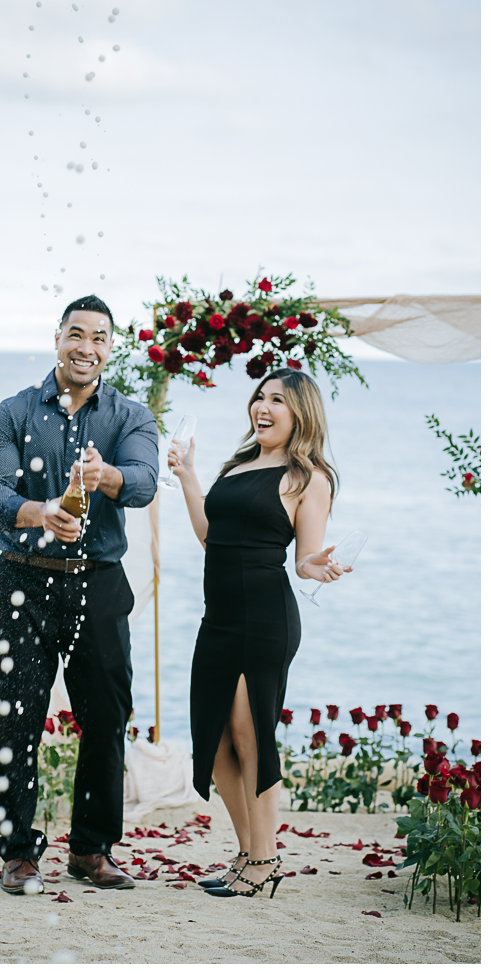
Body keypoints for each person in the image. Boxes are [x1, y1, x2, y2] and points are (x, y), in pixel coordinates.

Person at [0, 295, 158, 895]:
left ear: (111, 348)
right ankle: (19, 852)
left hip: (98, 584)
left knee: (106, 717)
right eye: (76, 334)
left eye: (100, 338)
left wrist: (104, 476)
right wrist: (41, 511)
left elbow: (144, 482)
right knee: (17, 715)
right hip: (23, 577)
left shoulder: (130, 417)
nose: (87, 347)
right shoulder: (12, 412)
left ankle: (91, 848)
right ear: (57, 338)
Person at [167, 367, 351, 899]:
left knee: (250, 737)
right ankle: (250, 855)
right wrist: (188, 475)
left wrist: (320, 566)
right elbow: (210, 537)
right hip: (217, 618)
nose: (262, 408)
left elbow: (305, 560)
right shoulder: (239, 464)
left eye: (277, 401)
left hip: (264, 618)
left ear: (301, 413)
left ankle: (264, 860)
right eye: (259, 397)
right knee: (216, 739)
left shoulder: (308, 477)